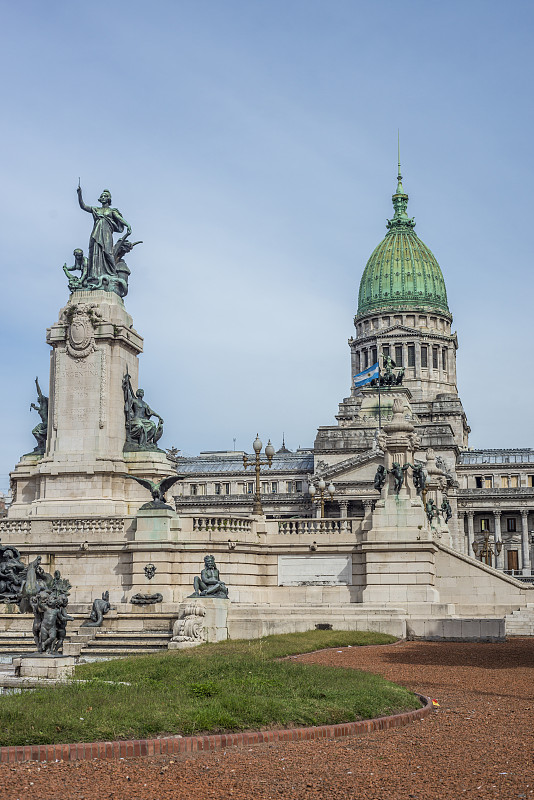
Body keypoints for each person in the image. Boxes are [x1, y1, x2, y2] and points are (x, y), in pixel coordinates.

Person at [77, 186, 131, 285]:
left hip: (106, 234)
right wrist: (79, 194)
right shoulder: (96, 209)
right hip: (96, 233)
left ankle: (112, 273)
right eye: (101, 196)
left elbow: (119, 219)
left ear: (108, 199)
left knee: (107, 252)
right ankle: (94, 275)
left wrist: (127, 225)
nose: (103, 197)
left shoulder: (111, 211)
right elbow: (83, 206)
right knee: (95, 253)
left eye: (105, 196)